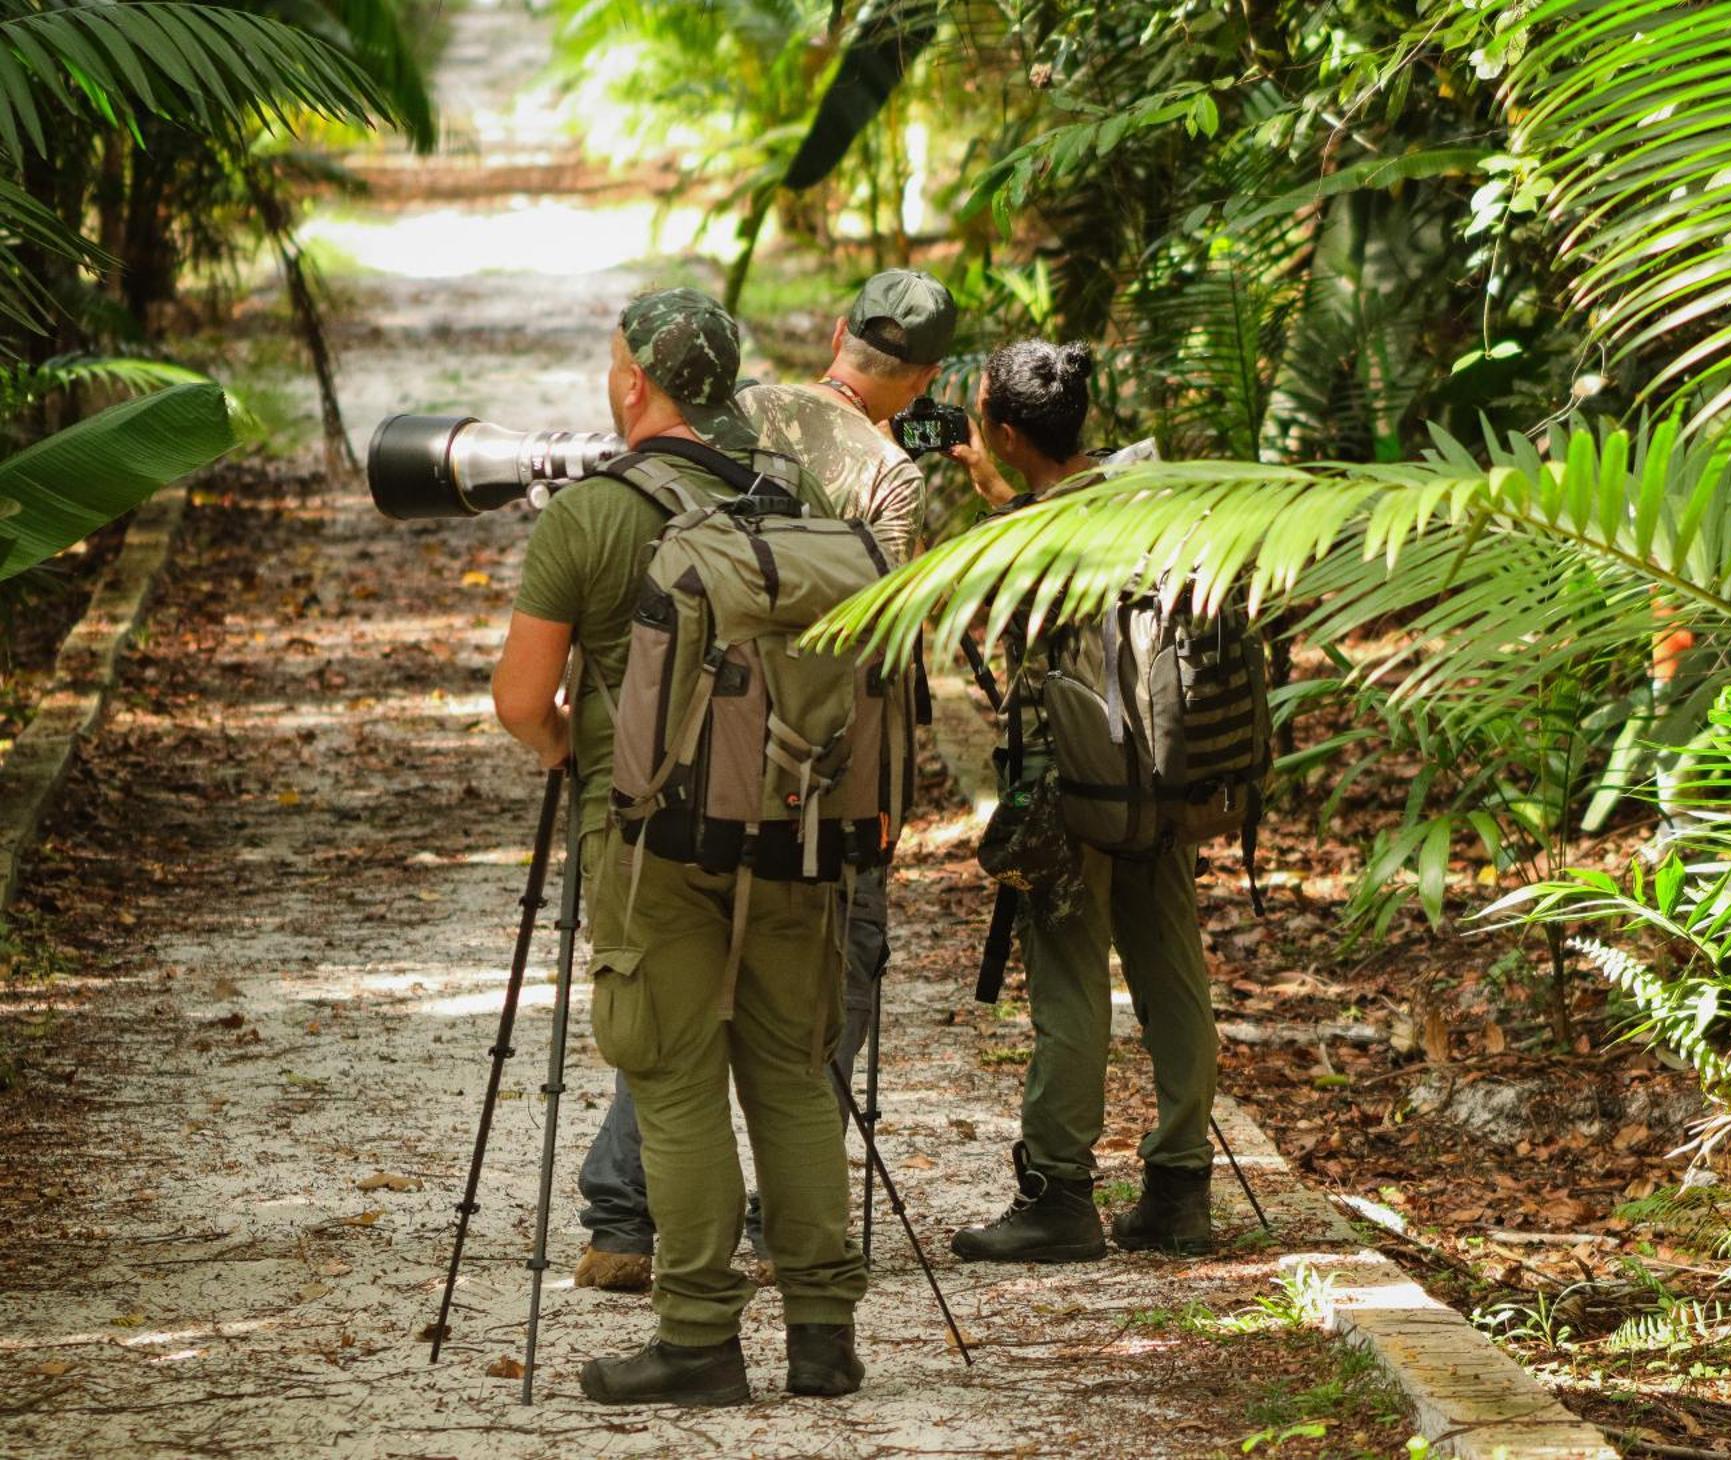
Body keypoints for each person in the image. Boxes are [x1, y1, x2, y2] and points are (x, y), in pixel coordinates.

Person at [492, 287, 865, 1405]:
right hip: (792, 826)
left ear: (633, 382)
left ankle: (699, 1335)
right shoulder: (790, 496)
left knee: (674, 1074)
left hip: (648, 836)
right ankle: (822, 1336)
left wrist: (572, 751)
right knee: (794, 1075)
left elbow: (520, 697)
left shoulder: (591, 515)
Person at [570, 268, 958, 1290]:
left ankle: (622, 1212)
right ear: (920, 381)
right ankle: (788, 1220)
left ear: (836, 334)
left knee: (672, 978)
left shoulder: (741, 413)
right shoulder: (892, 477)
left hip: (691, 739)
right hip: (814, 760)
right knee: (827, 983)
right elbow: (875, 630)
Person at [945, 340, 1220, 1263]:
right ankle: (1181, 1188)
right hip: (1162, 779)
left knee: (1070, 986)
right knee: (1171, 972)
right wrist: (1001, 491)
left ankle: (1060, 1194)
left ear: (1009, 433)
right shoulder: (1148, 503)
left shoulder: (1029, 542)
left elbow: (1006, 636)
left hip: (1072, 795)